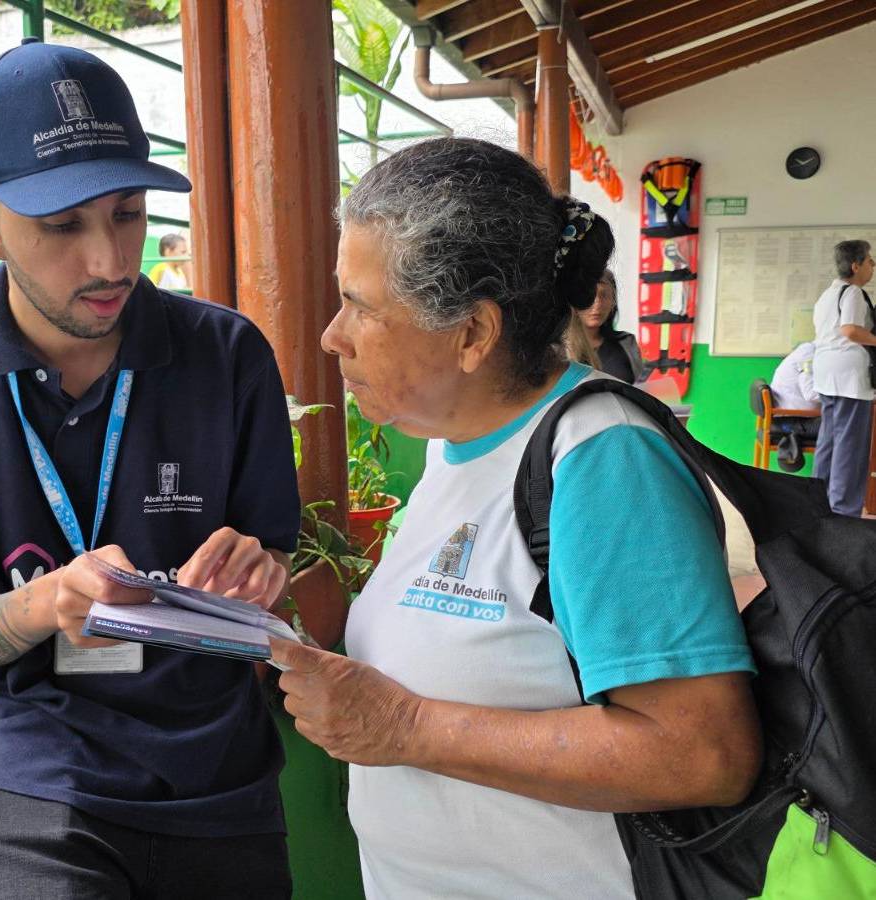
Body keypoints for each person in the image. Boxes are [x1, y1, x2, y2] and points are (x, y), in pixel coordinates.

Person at [0, 40, 299, 898]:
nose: (111, 261)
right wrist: (52, 600)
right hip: (16, 754)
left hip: (216, 765)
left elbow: (274, 564)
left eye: (127, 212)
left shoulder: (227, 353)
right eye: (62, 226)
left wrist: (258, 572)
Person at [270, 138, 760, 899]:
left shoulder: (599, 459)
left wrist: (405, 729)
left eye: (360, 307)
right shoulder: (452, 449)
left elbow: (703, 753)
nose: (333, 336)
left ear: (472, 333)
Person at [812, 239, 876, 516]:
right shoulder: (852, 293)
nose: (873, 267)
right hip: (849, 377)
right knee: (850, 445)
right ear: (856, 265)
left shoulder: (828, 294)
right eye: (870, 261)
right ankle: (844, 511)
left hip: (826, 374)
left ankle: (818, 503)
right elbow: (850, 330)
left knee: (829, 440)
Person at [575, 267, 643, 383]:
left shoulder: (626, 343)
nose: (597, 304)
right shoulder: (558, 350)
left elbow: (642, 388)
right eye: (589, 296)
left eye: (604, 295)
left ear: (613, 301)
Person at [769, 341, 821, 473]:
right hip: (792, 421)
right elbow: (811, 394)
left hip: (789, 417)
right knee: (846, 423)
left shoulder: (808, 349)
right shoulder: (809, 354)